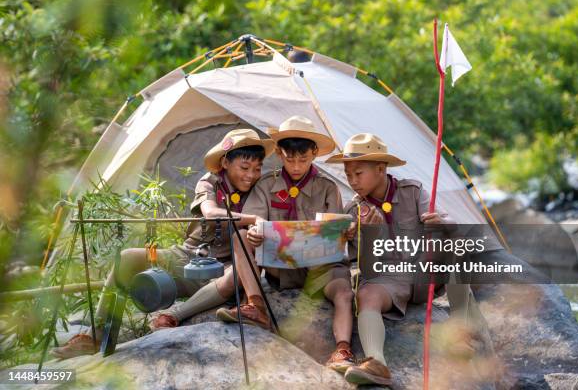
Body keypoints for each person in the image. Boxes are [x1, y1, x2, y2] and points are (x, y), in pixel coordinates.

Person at [51, 128, 274, 359]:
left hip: (223, 268)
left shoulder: (259, 188)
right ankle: (96, 334)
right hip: (186, 257)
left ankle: (173, 315)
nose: (251, 175)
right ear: (225, 163)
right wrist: (253, 219)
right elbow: (211, 213)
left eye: (257, 169)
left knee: (237, 275)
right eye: (244, 168)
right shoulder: (210, 182)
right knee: (128, 256)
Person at [326, 133, 491, 386]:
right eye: (348, 175)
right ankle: (376, 363)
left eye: (358, 174)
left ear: (381, 169)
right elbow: (367, 265)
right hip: (391, 283)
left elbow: (450, 226)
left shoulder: (412, 191)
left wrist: (442, 222)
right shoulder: (353, 211)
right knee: (366, 295)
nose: (352, 181)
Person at [216, 116, 357, 373]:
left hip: (321, 269)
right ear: (279, 153)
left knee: (344, 293)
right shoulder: (266, 184)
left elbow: (336, 231)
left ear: (314, 154)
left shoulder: (327, 188)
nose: (296, 166)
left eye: (303, 160)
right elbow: (253, 220)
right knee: (241, 237)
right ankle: (256, 305)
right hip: (278, 268)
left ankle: (342, 349)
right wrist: (256, 233)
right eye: (289, 159)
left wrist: (344, 232)